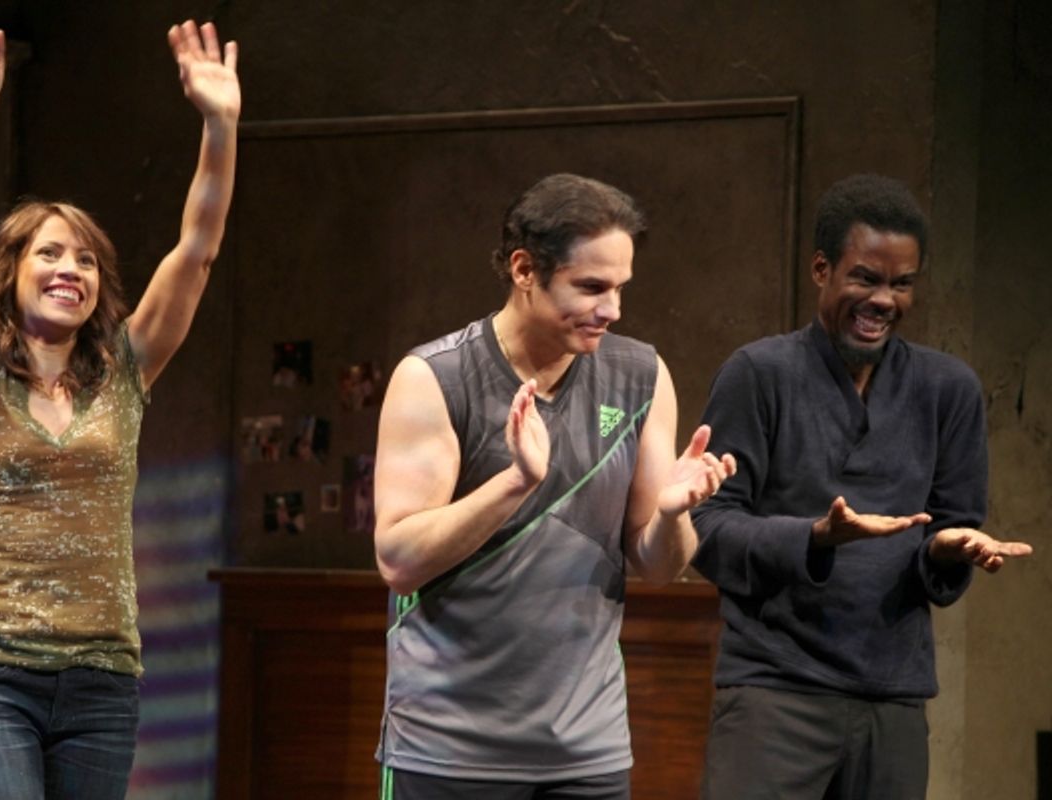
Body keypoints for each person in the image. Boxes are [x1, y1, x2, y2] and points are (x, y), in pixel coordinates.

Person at [0, 10, 238, 798]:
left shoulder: (126, 367)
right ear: (12, 272)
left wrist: (220, 125)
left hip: (103, 676)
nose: (70, 269)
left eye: (86, 258)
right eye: (49, 253)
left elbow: (198, 248)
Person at [372, 173, 737, 799]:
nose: (612, 309)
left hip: (585, 752)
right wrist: (515, 481)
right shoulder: (434, 377)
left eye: (620, 288)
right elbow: (398, 560)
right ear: (524, 269)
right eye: (591, 287)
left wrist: (675, 514)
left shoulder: (640, 375)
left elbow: (656, 566)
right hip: (449, 750)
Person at [690, 173, 1034, 800]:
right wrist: (816, 536)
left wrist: (947, 547)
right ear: (822, 268)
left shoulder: (947, 388)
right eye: (866, 279)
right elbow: (707, 526)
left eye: (902, 285)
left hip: (892, 693)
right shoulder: (759, 373)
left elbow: (951, 521)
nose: (884, 300)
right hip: (775, 688)